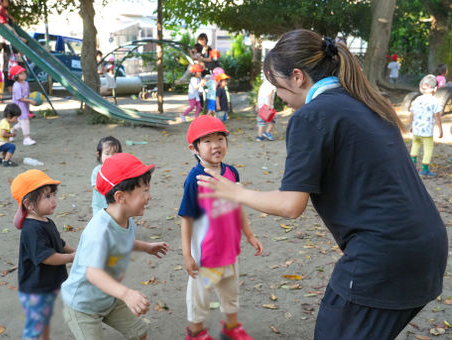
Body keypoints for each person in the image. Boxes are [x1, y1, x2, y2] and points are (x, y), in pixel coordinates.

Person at [196, 29, 448, 340]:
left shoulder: (311, 117)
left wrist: (235, 191)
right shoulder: (367, 102)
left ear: (298, 77)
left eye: (277, 86)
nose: (279, 96)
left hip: (384, 258)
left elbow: (291, 206)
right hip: (427, 248)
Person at [61, 153, 169, 340]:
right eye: (144, 190)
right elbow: (93, 273)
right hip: (82, 306)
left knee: (140, 331)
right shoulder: (99, 231)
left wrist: (146, 247)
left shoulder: (127, 222)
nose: (149, 196)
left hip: (107, 298)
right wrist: (126, 294)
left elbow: (122, 242)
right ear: (120, 197)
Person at [179, 115, 263, 340]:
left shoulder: (231, 172)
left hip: (230, 250)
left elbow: (238, 205)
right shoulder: (194, 179)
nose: (215, 145)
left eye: (220, 139)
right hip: (205, 256)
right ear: (194, 148)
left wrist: (250, 234)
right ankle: (196, 333)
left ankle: (231, 328)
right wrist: (187, 255)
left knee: (230, 293)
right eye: (207, 141)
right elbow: (186, 219)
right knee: (200, 298)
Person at [10, 169, 76, 340]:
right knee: (35, 328)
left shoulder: (46, 221)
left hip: (47, 285)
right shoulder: (31, 228)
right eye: (47, 196)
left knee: (43, 323)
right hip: (36, 289)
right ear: (29, 204)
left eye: (53, 194)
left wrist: (74, 250)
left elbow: (58, 242)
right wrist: (72, 258)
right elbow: (47, 257)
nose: (53, 200)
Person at [408, 74, 443, 176]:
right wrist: (440, 129)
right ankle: (424, 169)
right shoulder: (435, 101)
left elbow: (412, 114)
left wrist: (411, 126)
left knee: (415, 145)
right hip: (427, 131)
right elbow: (437, 116)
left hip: (416, 129)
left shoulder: (417, 99)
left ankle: (412, 165)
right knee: (428, 149)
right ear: (435, 89)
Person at [91, 136, 122, 215]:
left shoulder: (119, 170)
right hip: (99, 206)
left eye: (114, 154)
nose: (111, 157)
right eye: (107, 154)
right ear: (99, 154)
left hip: (116, 205)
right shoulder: (97, 171)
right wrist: (110, 185)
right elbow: (95, 186)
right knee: (101, 225)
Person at [10, 65, 37, 145]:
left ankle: (12, 130)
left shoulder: (26, 83)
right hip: (18, 106)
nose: (24, 74)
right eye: (21, 74)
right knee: (25, 121)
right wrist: (30, 101)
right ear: (16, 77)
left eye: (24, 72)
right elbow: (19, 98)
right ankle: (26, 138)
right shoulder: (17, 85)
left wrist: (33, 99)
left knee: (23, 121)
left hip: (24, 105)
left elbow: (27, 95)